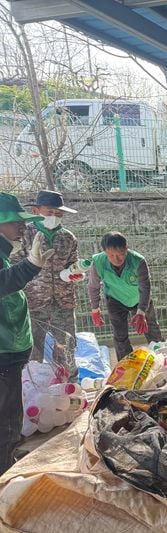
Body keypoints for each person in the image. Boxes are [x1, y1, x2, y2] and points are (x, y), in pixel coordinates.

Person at [0, 193, 54, 473]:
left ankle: (6, 457)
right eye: (14, 222)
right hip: (3, 350)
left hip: (9, 347)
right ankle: (5, 474)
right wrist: (31, 267)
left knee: (9, 411)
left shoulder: (3, 251)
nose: (21, 227)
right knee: (7, 416)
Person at [11, 190, 79, 370]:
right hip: (34, 301)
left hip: (63, 301)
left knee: (67, 346)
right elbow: (13, 268)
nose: (54, 217)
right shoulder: (23, 235)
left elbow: (73, 263)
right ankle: (34, 388)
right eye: (50, 212)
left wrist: (75, 272)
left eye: (58, 213)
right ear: (36, 211)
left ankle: (70, 388)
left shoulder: (68, 237)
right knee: (33, 349)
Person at [88, 231, 162, 359]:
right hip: (115, 299)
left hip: (139, 299)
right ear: (105, 251)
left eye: (121, 254)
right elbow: (93, 286)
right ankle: (126, 366)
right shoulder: (98, 262)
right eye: (111, 255)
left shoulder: (138, 261)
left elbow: (145, 288)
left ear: (126, 249)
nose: (117, 259)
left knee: (151, 329)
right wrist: (95, 308)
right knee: (120, 336)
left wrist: (141, 312)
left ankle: (161, 357)